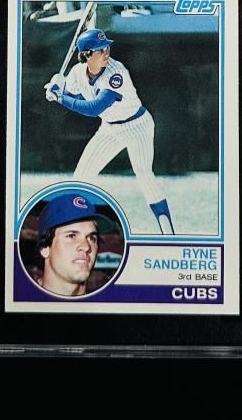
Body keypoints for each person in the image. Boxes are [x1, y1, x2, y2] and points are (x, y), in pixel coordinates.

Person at [44, 27, 175, 234]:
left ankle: (168, 233)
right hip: (109, 129)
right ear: (87, 55)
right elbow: (71, 93)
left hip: (137, 126)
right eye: (100, 50)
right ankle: (71, 228)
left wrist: (61, 97)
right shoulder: (77, 73)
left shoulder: (116, 73)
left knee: (144, 174)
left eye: (107, 48)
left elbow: (94, 108)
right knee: (80, 179)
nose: (106, 53)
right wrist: (58, 86)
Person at [33, 190, 111, 297]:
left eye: (91, 238)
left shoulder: (104, 305)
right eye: (71, 236)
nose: (86, 247)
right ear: (45, 248)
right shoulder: (21, 301)